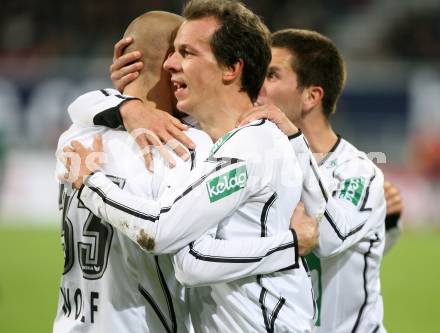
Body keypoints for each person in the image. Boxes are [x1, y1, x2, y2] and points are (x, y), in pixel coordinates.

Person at [62, 1, 322, 332]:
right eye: (172, 53)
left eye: (186, 53)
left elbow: (185, 256)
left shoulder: (244, 149)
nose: (171, 64)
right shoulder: (214, 141)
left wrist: (92, 184)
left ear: (231, 68)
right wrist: (127, 104)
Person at [238, 29, 389, 332]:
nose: (257, 86)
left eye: (272, 75)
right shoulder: (264, 165)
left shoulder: (358, 171)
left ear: (311, 96)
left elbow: (331, 237)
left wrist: (295, 140)